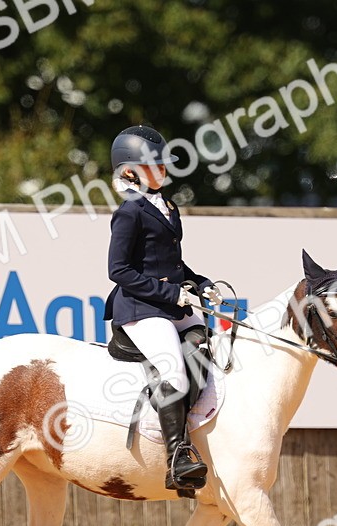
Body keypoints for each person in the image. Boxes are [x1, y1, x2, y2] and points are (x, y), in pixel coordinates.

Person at [102, 125, 222, 490]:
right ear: (129, 171)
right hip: (140, 309)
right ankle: (177, 458)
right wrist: (172, 296)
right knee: (174, 372)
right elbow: (118, 271)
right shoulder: (129, 212)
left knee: (208, 346)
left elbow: (172, 265)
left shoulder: (168, 207)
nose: (163, 170)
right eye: (154, 165)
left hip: (169, 305)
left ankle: (195, 432)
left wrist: (201, 284)